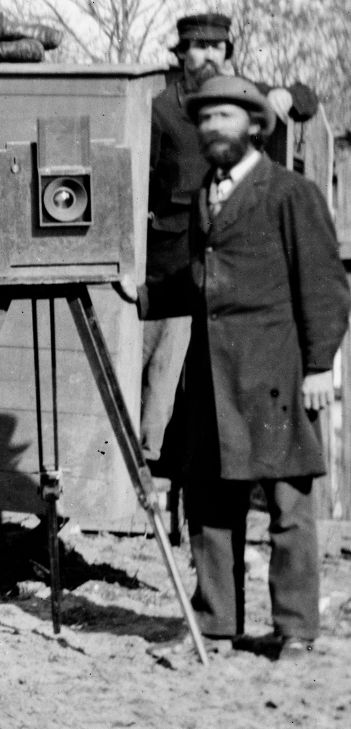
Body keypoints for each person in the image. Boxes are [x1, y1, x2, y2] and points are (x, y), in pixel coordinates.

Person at [123, 76, 350, 659]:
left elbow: (324, 284)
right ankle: (217, 624)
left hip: (276, 374)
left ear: (254, 125)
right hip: (212, 376)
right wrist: (144, 296)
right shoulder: (206, 193)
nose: (213, 127)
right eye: (204, 119)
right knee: (209, 502)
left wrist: (319, 365)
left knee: (288, 506)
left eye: (225, 116)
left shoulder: (290, 193)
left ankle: (295, 631)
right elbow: (203, 278)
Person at [142, 12, 319, 469]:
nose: (208, 57)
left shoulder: (243, 97)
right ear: (181, 54)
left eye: (216, 47)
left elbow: (307, 98)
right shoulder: (160, 109)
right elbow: (143, 184)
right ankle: (157, 468)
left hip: (233, 268)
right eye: (198, 47)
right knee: (162, 379)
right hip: (173, 265)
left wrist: (285, 94)